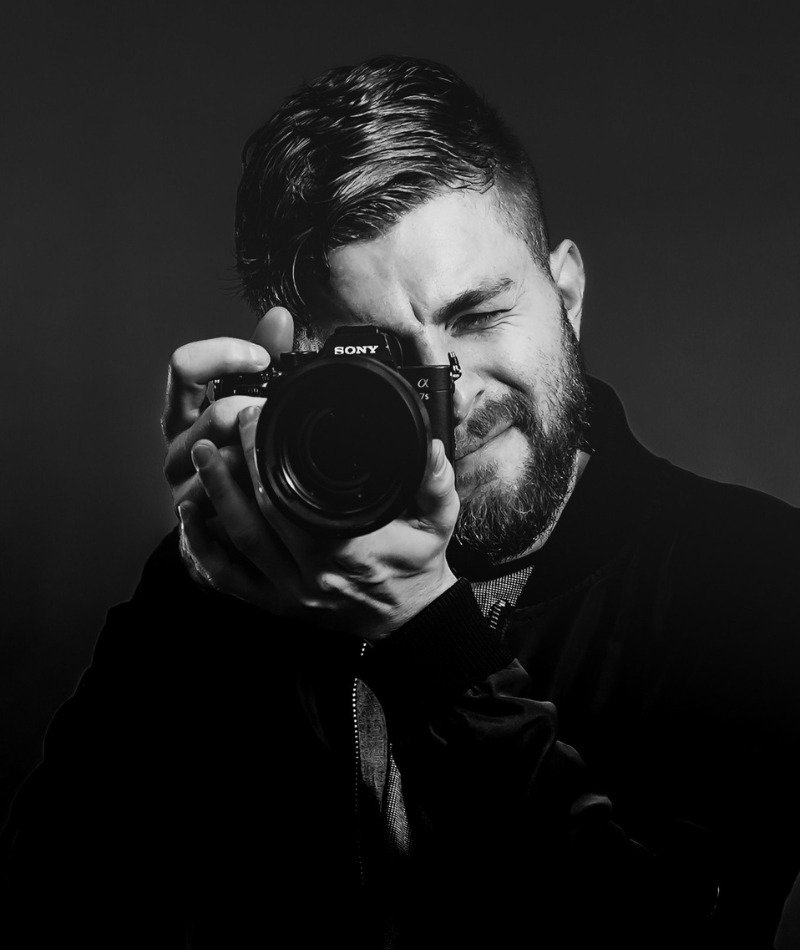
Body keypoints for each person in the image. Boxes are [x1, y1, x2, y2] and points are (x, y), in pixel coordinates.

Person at [2, 55, 799, 949]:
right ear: (292, 367)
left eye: (478, 316)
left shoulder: (756, 578)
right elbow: (50, 911)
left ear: (566, 295)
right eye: (382, 355)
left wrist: (425, 636)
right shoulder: (252, 571)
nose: (449, 392)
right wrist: (197, 598)